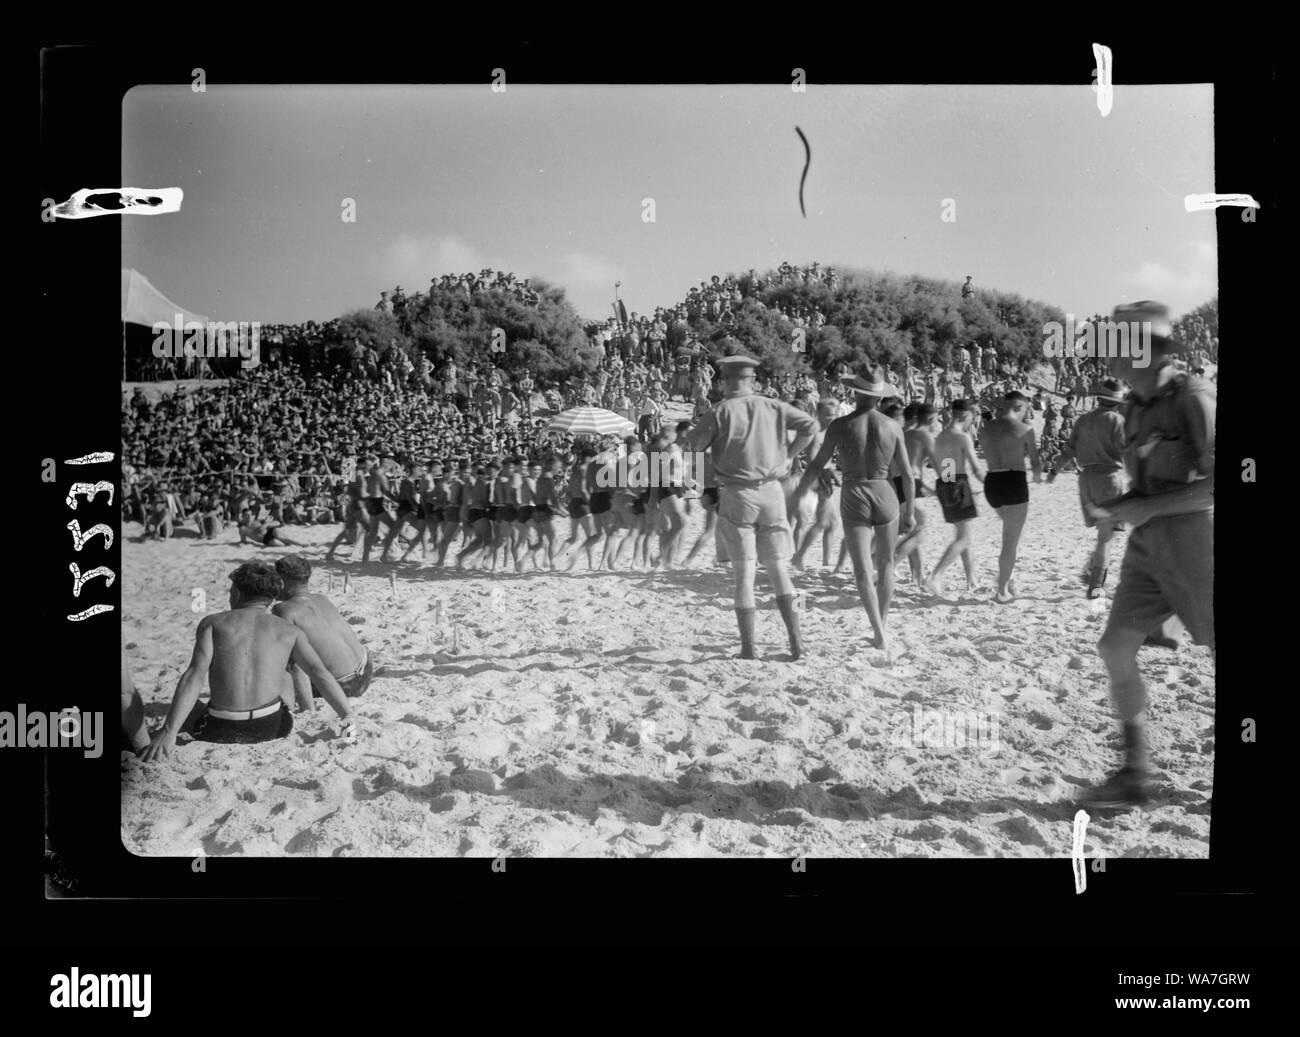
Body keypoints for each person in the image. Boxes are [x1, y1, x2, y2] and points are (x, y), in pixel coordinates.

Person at [1080, 302, 1215, 808]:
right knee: (1116, 647)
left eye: (1115, 349)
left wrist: (1144, 506)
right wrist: (1109, 531)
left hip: (1197, 542)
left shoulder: (1195, 399)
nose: (1108, 362)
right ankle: (1136, 772)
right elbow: (1140, 485)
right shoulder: (1134, 407)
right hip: (1148, 546)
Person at [142, 562, 354, 761]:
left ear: (237, 593)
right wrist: (348, 716)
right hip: (273, 728)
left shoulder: (213, 623)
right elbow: (319, 672)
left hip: (217, 729)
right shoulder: (289, 630)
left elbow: (193, 676)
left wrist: (169, 731)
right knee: (287, 674)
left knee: (188, 704)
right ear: (271, 598)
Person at [687, 355, 817, 660]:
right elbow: (810, 426)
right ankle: (796, 642)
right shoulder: (771, 405)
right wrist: (788, 456)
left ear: (723, 381)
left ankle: (748, 647)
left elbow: (692, 448)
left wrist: (707, 478)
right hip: (772, 493)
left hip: (736, 494)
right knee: (780, 571)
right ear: (753, 381)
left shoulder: (719, 411)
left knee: (744, 576)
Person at [796, 366, 914, 653]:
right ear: (878, 396)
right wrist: (908, 511)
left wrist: (800, 491)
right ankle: (882, 625)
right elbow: (908, 475)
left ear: (855, 391)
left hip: (854, 491)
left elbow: (816, 463)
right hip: (885, 491)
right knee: (885, 564)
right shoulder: (893, 426)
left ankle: (877, 630)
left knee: (861, 569)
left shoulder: (840, 425)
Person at [1054, 378, 1128, 597]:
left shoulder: (1083, 419)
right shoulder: (1118, 421)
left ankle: (1092, 568)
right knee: (1106, 535)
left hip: (1085, 479)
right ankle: (1096, 583)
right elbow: (1128, 452)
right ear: (1118, 401)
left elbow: (1068, 451)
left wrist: (1053, 472)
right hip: (1109, 478)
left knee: (1105, 533)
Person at [272, 555, 374, 708]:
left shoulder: (284, 609)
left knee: (279, 665)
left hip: (341, 686)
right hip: (365, 671)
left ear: (282, 580)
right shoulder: (322, 599)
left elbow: (295, 666)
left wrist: (308, 709)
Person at [977, 390, 1042, 603]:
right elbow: (1035, 461)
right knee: (1010, 540)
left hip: (992, 482)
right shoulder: (1024, 429)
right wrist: (1039, 477)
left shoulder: (986, 428)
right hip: (1014, 481)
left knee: (1011, 533)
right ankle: (1002, 590)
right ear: (1019, 407)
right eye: (1026, 410)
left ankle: (1008, 577)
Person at [922, 400, 986, 596]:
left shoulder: (939, 438)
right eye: (973, 417)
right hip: (956, 485)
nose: (972, 422)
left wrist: (951, 486)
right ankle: (935, 576)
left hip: (946, 484)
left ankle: (972, 580)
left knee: (963, 535)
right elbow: (975, 469)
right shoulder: (962, 437)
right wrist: (993, 485)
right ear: (966, 416)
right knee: (964, 537)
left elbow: (943, 466)